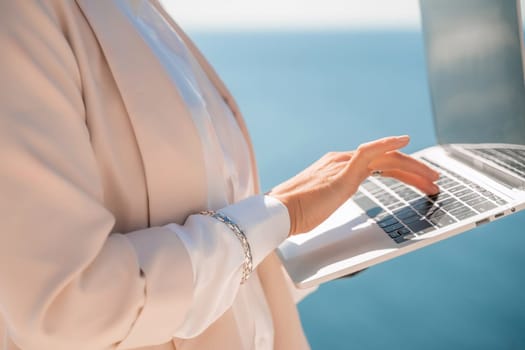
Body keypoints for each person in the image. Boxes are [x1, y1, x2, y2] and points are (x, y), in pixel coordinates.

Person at [0, 1, 440, 349]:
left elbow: (202, 249)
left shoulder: (144, 13)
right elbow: (64, 305)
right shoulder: (21, 17)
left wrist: (308, 245)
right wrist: (283, 210)